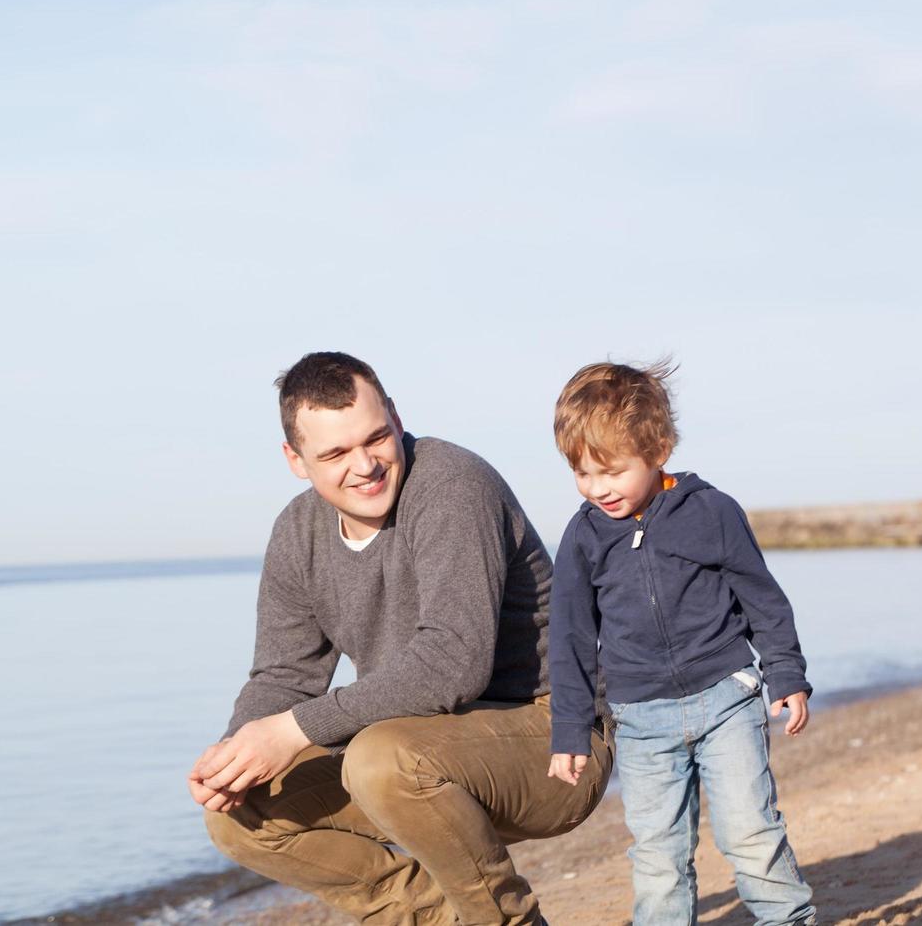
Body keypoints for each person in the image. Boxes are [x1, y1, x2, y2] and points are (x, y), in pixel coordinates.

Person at [188, 351, 612, 926]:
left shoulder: (452, 485)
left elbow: (450, 664)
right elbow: (283, 675)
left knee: (379, 757)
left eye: (376, 438)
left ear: (394, 413)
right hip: (423, 746)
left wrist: (290, 731)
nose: (364, 465)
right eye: (335, 453)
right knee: (241, 814)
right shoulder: (297, 532)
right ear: (295, 459)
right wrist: (234, 755)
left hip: (556, 739)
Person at [546, 361, 817, 926]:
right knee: (658, 857)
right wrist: (570, 730)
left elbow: (762, 599)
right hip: (641, 718)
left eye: (613, 472)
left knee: (750, 833)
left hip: (726, 698)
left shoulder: (710, 512)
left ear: (659, 448)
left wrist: (786, 674)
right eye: (583, 474)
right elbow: (571, 639)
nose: (599, 489)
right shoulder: (583, 538)